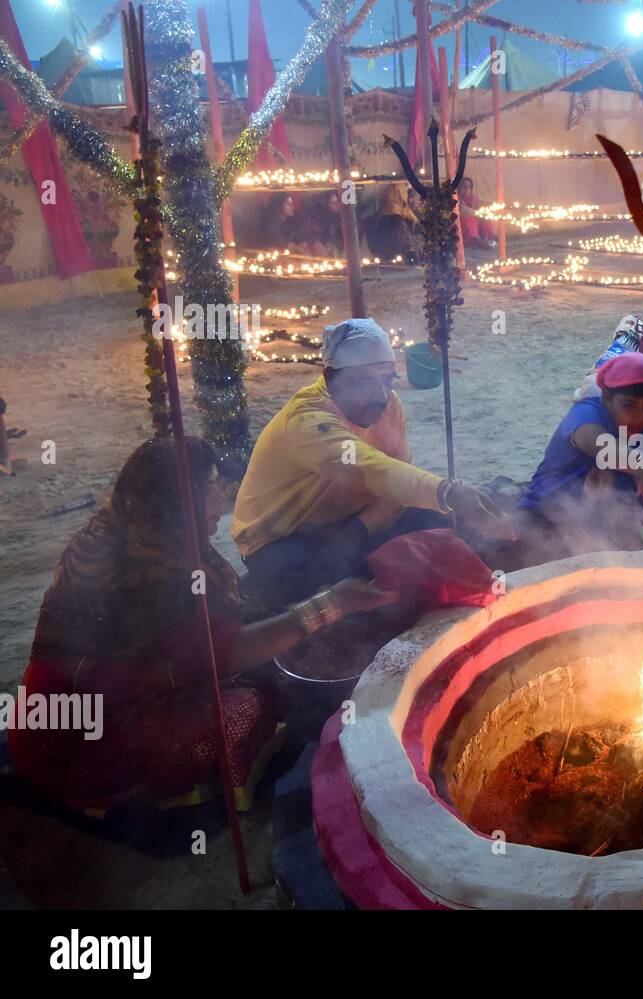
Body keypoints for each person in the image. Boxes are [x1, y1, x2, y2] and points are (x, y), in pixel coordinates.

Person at [9, 438, 399, 814]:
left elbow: (223, 622)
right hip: (74, 741)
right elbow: (224, 654)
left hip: (87, 703)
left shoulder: (146, 534)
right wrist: (331, 605)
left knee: (269, 666)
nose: (221, 497)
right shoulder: (148, 574)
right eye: (210, 486)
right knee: (247, 709)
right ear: (175, 500)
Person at [232, 318, 511, 609]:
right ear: (329, 376)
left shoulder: (389, 406)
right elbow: (372, 468)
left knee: (441, 527)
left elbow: (397, 488)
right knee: (316, 582)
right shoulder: (307, 421)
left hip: (354, 522)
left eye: (387, 380)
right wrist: (447, 492)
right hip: (283, 539)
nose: (379, 395)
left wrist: (357, 531)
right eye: (364, 381)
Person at [516, 353, 643, 560]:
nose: (639, 416)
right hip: (542, 517)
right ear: (606, 398)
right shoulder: (587, 413)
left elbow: (629, 506)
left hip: (606, 529)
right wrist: (637, 462)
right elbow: (594, 440)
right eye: (628, 404)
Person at [457, 176, 490, 250]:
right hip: (462, 227)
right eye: (464, 187)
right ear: (459, 188)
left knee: (485, 217)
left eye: (469, 187)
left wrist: (494, 204)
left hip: (474, 224)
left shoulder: (473, 198)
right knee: (469, 219)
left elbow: (483, 202)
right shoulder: (456, 199)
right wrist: (479, 213)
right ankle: (478, 241)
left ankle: (485, 239)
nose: (467, 190)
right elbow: (463, 209)